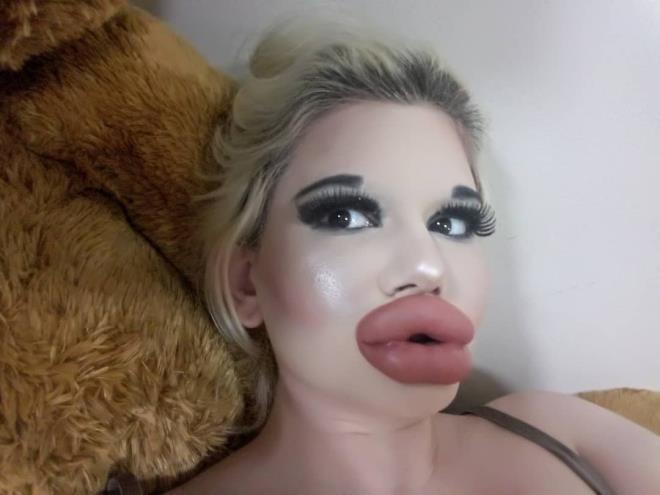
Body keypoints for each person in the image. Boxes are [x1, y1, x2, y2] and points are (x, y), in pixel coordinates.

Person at [169, 12, 660, 495]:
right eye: (347, 216)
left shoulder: (563, 432)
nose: (429, 267)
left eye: (452, 223)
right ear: (245, 283)